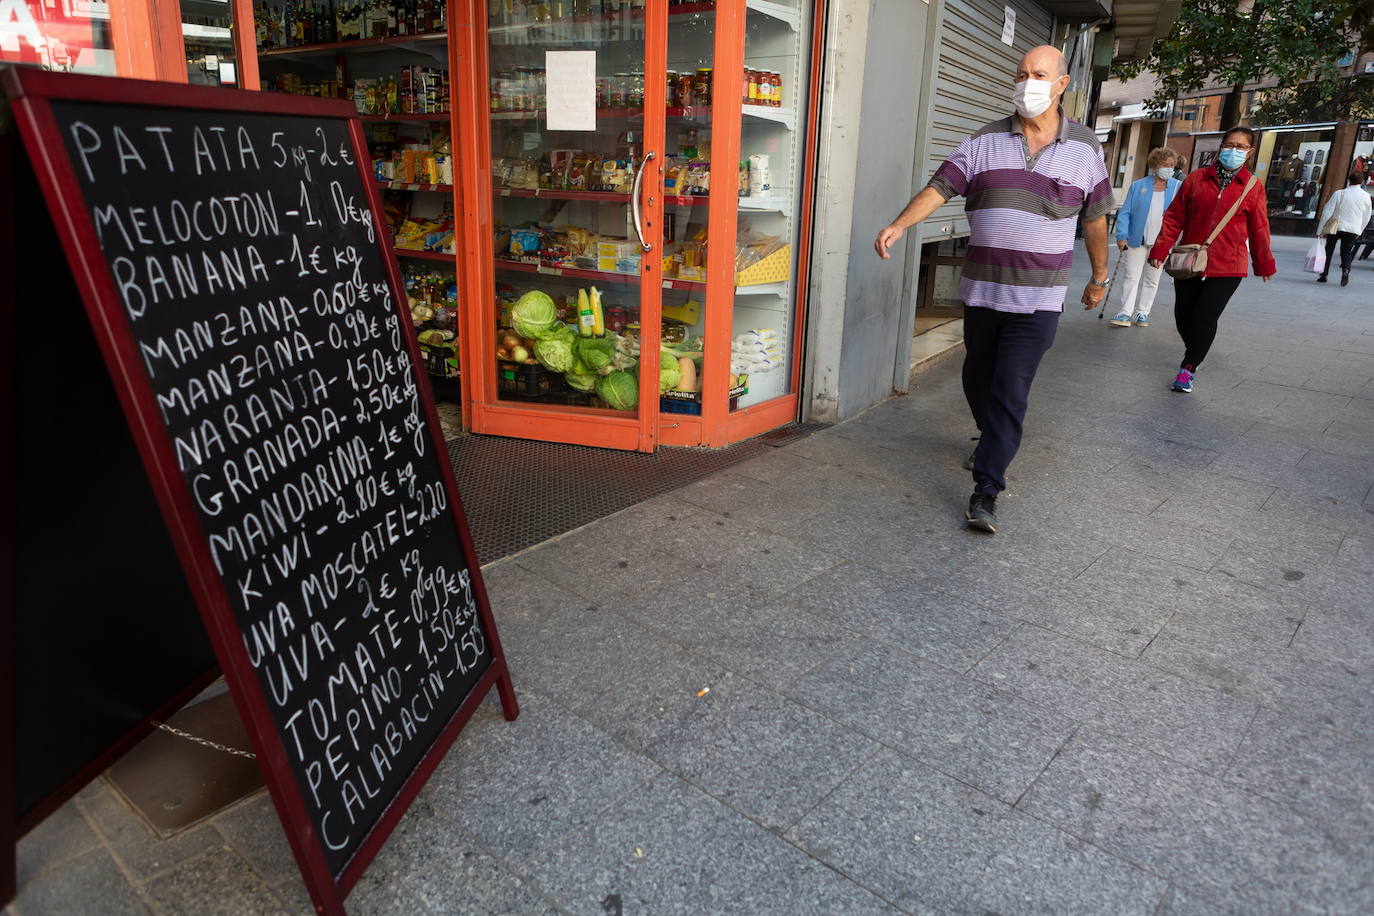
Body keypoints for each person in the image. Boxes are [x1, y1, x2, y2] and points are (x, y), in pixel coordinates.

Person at [874, 44, 1111, 534]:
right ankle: (990, 439)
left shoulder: (1086, 149)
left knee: (1010, 389)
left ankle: (987, 488)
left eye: (1040, 74)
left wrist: (1098, 278)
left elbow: (1095, 220)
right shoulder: (984, 141)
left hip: (1039, 299)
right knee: (976, 378)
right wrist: (900, 224)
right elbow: (941, 187)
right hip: (984, 293)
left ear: (1063, 83)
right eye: (1022, 73)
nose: (1029, 82)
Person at [1147, 126, 1276, 394]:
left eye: (1241, 147)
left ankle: (1188, 368)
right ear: (1221, 147)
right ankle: (1196, 348)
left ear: (1250, 152)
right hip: (1190, 259)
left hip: (1228, 264)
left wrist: (1263, 264)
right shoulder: (1196, 179)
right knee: (1183, 316)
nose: (1234, 150)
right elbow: (1174, 218)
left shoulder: (1253, 186)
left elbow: (1260, 228)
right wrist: (1160, 250)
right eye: (1229, 144)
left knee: (1205, 317)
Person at [1108, 147, 1182, 327]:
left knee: (1152, 279)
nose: (1169, 168)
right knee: (1131, 276)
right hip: (1136, 239)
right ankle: (1125, 312)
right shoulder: (1138, 185)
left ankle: (1143, 313)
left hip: (1162, 242)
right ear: (1155, 165)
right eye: (1165, 165)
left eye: (1172, 165)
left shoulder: (1178, 187)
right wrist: (1121, 235)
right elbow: (1125, 212)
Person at [1315, 173, 1373, 286]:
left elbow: (1327, 212)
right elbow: (1367, 216)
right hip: (1353, 228)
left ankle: (1324, 274)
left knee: (1329, 249)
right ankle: (1346, 270)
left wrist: (1321, 230)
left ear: (1349, 181)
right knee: (1346, 251)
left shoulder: (1339, 193)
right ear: (1361, 182)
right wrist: (1360, 230)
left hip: (1335, 226)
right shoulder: (1366, 196)